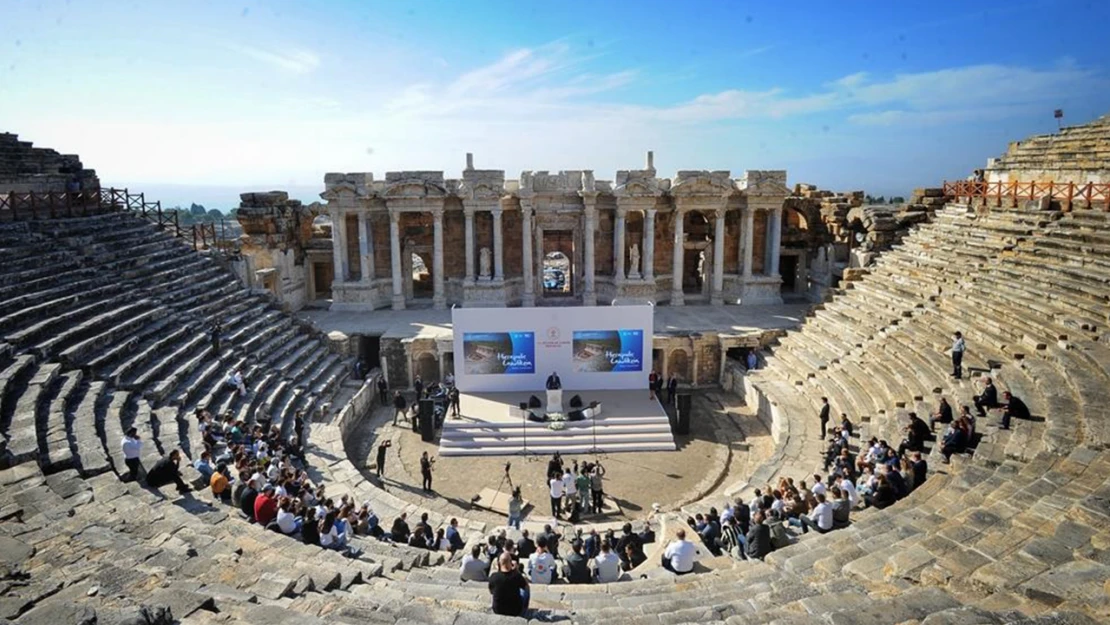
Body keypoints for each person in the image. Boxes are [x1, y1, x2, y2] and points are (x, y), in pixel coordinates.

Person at [488, 552, 529, 617]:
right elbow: (526, 586)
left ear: (499, 563)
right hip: (515, 611)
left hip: (498, 610)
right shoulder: (517, 576)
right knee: (525, 591)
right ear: (511, 563)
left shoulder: (493, 577)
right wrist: (517, 570)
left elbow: (491, 591)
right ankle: (525, 611)